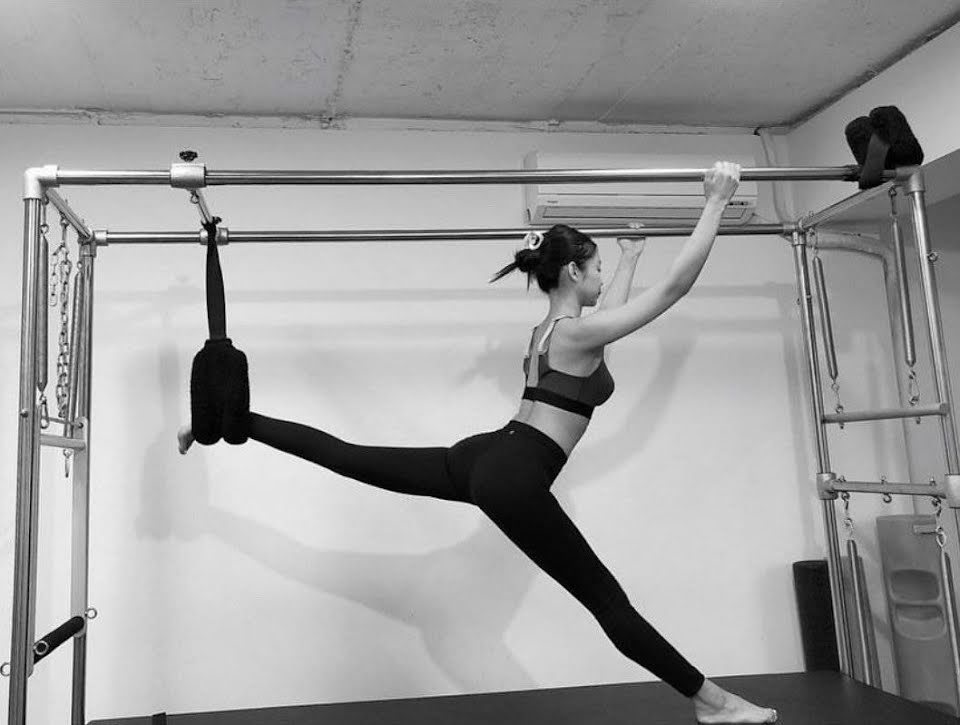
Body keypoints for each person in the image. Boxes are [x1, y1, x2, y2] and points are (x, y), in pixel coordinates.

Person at [178, 161, 777, 724]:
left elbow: (608, 322)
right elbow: (673, 291)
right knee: (607, 603)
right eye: (595, 269)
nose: (600, 280)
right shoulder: (577, 334)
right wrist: (714, 204)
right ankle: (714, 703)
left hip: (484, 455)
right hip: (512, 472)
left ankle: (227, 421)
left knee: (349, 458)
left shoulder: (551, 331)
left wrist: (628, 258)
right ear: (573, 273)